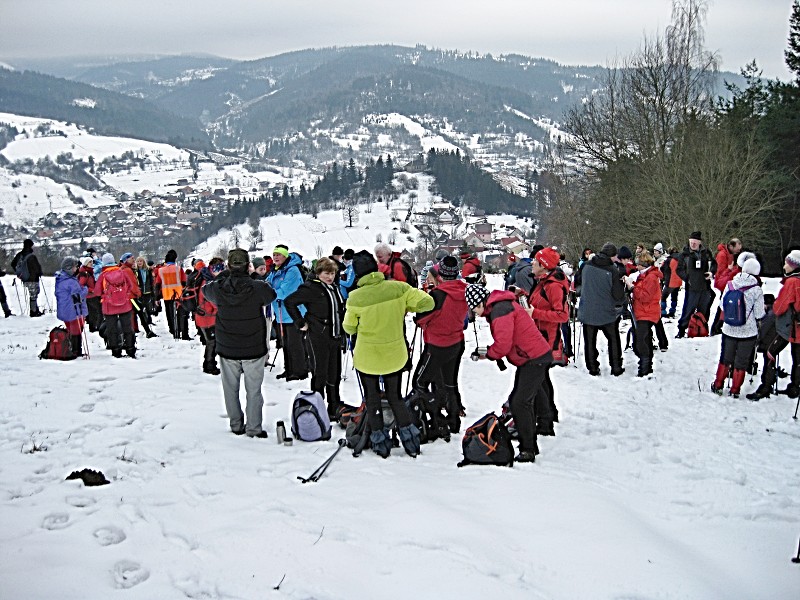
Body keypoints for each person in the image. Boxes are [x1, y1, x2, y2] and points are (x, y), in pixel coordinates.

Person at [343, 250, 434, 458]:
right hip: (395, 355)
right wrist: (404, 308)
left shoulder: (355, 297)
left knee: (372, 398)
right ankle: (410, 442)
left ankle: (380, 444)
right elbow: (427, 303)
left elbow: (349, 328)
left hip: (367, 357)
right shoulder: (398, 288)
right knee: (396, 397)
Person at [465, 283, 553, 463]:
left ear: (480, 303)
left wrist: (489, 354)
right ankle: (545, 425)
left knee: (520, 402)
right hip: (533, 356)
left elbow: (503, 344)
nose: (475, 314)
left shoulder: (500, 311)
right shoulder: (499, 307)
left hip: (533, 358)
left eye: (474, 310)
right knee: (534, 394)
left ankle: (528, 448)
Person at [202, 249, 277, 437]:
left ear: (228, 265)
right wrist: (250, 276)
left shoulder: (219, 288)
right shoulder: (257, 287)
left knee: (230, 389)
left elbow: (206, 290)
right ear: (247, 265)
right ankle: (254, 428)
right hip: (253, 347)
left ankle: (236, 425)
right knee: (254, 391)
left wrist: (226, 275)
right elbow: (271, 294)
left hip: (227, 347)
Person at [412, 255, 469, 438]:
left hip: (436, 345)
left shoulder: (438, 295)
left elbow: (421, 318)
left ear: (440, 275)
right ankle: (453, 420)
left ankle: (433, 416)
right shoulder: (464, 290)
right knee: (449, 383)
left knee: (419, 382)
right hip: (456, 342)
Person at [284, 257, 347, 420]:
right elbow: (289, 302)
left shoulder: (333, 287)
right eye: (326, 273)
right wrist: (300, 322)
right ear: (318, 273)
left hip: (334, 334)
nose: (330, 277)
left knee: (335, 373)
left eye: (332, 273)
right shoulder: (310, 288)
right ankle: (317, 406)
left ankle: (334, 405)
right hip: (318, 335)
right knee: (320, 372)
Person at [747, 250, 800, 400]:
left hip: (788, 327)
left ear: (794, 266)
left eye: (787, 263)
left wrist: (773, 305)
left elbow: (780, 307)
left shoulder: (792, 282)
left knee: (770, 352)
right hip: (798, 327)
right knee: (798, 359)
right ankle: (795, 387)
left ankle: (766, 386)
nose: (784, 266)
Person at [528, 247, 569, 434]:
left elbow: (562, 315)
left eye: (536, 262)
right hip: (539, 336)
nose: (532, 263)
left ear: (543, 266)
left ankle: (545, 422)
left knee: (538, 380)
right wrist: (521, 293)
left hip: (546, 339)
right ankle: (549, 414)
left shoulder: (552, 286)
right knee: (542, 379)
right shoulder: (543, 282)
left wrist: (534, 313)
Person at [711, 258, 765, 397]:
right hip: (748, 332)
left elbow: (722, 306)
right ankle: (735, 390)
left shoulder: (730, 284)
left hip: (729, 329)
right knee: (741, 362)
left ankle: (718, 385)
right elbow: (759, 314)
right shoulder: (756, 289)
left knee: (725, 358)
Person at [574, 242, 625, 376]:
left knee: (590, 341)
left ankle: (593, 367)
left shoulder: (586, 265)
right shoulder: (613, 270)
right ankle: (616, 367)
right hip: (606, 312)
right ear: (612, 256)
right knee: (613, 339)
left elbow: (577, 282)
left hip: (588, 310)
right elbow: (618, 296)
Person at [267, 245, 309, 381]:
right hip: (280, 314)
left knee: (295, 344)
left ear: (286, 256)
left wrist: (269, 294)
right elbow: (267, 285)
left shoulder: (293, 271)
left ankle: (299, 371)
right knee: (285, 343)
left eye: (279, 254)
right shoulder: (275, 271)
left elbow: (286, 291)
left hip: (293, 314)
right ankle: (289, 369)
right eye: (274, 254)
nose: (275, 257)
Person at [94, 253, 137, 358]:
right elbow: (131, 286)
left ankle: (116, 350)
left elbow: (97, 292)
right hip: (125, 305)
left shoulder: (103, 276)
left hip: (109, 307)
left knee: (112, 329)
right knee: (127, 327)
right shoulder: (122, 272)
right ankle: (130, 349)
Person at [629, 251, 664, 377]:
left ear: (643, 264)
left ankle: (644, 367)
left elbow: (645, 296)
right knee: (645, 338)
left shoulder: (651, 277)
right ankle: (646, 366)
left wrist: (632, 288)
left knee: (640, 341)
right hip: (644, 311)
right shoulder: (647, 275)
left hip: (647, 312)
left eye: (638, 264)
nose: (636, 267)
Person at [676, 231, 716, 338]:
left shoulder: (706, 253)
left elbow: (714, 264)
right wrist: (687, 278)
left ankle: (702, 327)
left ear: (699, 243)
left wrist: (711, 273)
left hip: (705, 286)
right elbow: (679, 270)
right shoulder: (684, 254)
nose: (692, 244)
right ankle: (682, 329)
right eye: (691, 242)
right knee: (688, 309)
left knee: (705, 309)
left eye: (695, 242)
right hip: (691, 287)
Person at [54, 256, 88, 356]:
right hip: (74, 310)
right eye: (74, 267)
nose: (76, 269)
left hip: (64, 309)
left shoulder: (60, 279)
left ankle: (70, 348)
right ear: (69, 268)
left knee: (70, 330)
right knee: (76, 330)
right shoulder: (71, 282)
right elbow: (78, 297)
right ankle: (76, 350)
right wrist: (85, 289)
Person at [195, 258, 224, 375]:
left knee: (211, 342)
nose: (221, 271)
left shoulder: (205, 278)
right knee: (211, 342)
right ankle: (209, 365)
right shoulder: (207, 282)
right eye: (219, 268)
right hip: (207, 318)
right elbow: (213, 302)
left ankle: (209, 363)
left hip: (204, 316)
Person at [710, 238, 743, 335]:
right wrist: (730, 270)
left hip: (726, 281)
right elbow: (720, 272)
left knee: (723, 305)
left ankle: (718, 326)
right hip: (723, 282)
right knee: (722, 305)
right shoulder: (722, 255)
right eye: (737, 249)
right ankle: (716, 327)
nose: (738, 251)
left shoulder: (730, 255)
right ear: (731, 246)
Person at [154, 249, 188, 339]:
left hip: (167, 295)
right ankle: (181, 330)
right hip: (178, 295)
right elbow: (184, 281)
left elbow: (157, 284)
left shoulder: (161, 270)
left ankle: (172, 330)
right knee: (181, 314)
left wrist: (157, 298)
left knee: (169, 314)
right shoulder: (179, 269)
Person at [11, 239, 44, 317]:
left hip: (25, 278)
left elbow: (13, 264)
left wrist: (19, 273)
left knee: (33, 294)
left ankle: (35, 310)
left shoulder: (20, 255)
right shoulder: (31, 256)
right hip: (33, 278)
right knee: (33, 295)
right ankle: (34, 312)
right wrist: (39, 273)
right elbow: (37, 268)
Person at [78, 257, 101, 331]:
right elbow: (81, 285)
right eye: (89, 262)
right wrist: (91, 290)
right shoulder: (84, 273)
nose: (91, 264)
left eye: (92, 262)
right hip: (90, 295)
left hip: (91, 294)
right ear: (86, 263)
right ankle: (96, 326)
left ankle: (93, 327)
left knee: (92, 312)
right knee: (97, 311)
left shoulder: (89, 272)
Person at [660, 246, 682, 318]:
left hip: (670, 281)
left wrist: (663, 279)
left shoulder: (668, 260)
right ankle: (672, 311)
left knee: (663, 297)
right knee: (674, 297)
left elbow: (663, 269)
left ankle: (663, 312)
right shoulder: (681, 259)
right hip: (678, 281)